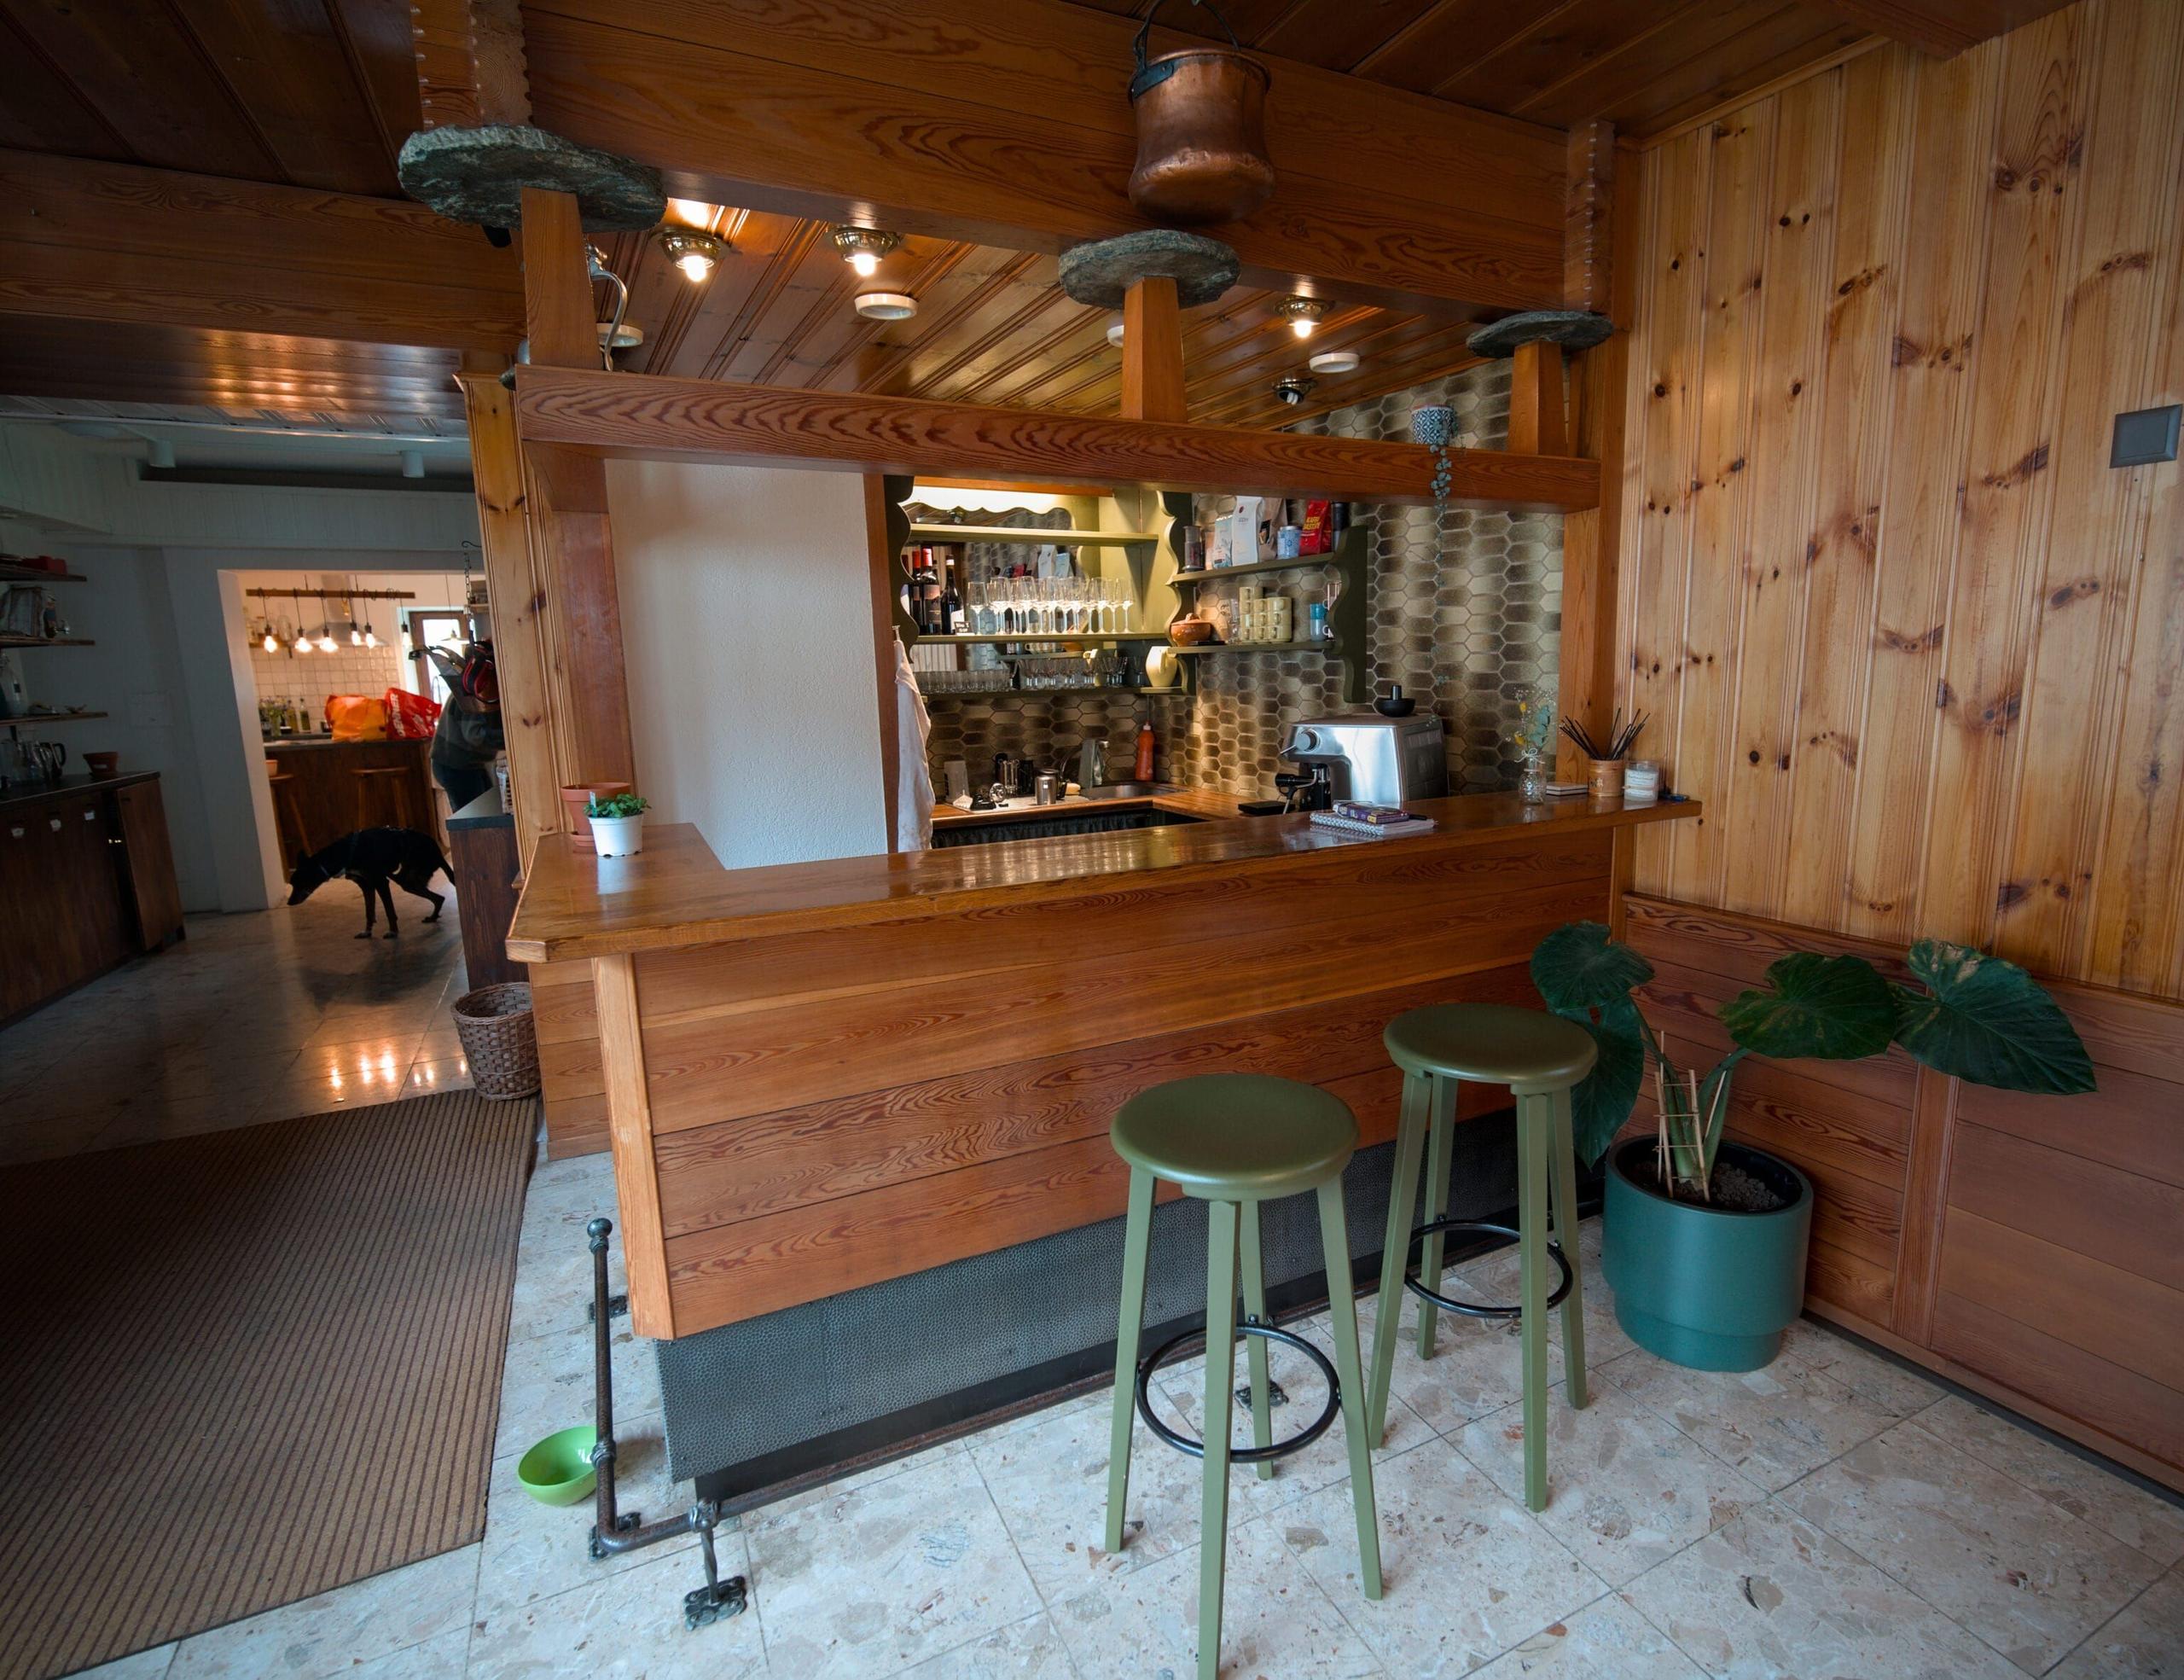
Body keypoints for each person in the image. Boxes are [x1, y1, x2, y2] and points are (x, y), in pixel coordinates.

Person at [415, 638, 504, 810]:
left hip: (464, 763)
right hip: (454, 764)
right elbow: (475, 736)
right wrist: (511, 739)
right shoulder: (474, 688)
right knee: (476, 818)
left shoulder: (479, 684)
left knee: (486, 813)